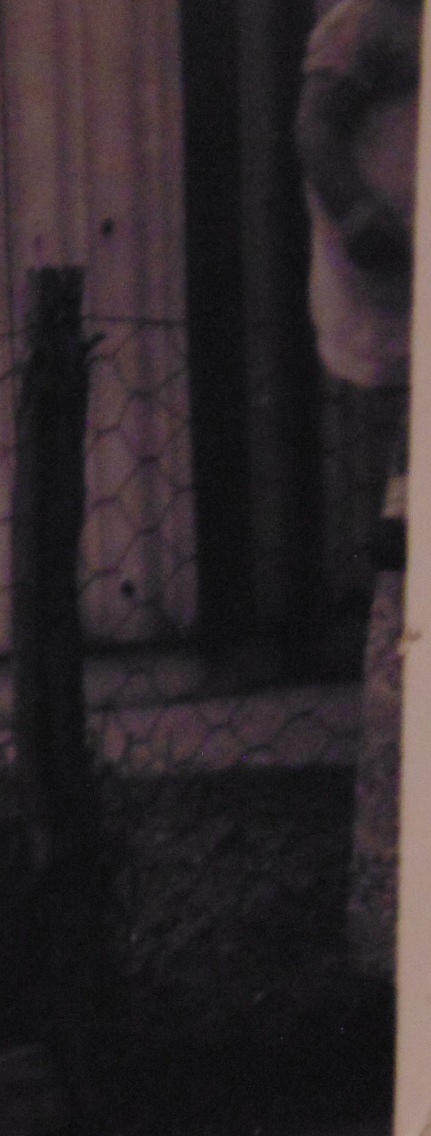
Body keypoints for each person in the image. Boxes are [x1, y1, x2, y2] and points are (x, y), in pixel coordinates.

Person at [294, 0, 419, 974]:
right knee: (396, 536)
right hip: (390, 292)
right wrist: (362, 216)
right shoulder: (372, 14)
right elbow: (315, 124)